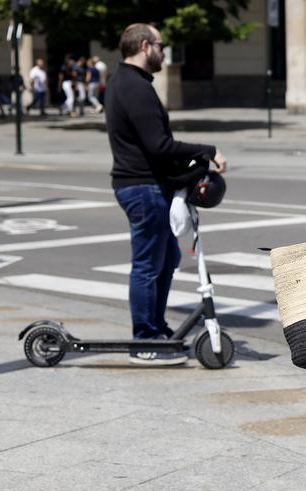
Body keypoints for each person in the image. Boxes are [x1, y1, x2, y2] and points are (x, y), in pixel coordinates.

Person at [106, 23, 227, 365]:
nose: (164, 50)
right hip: (141, 187)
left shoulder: (128, 82)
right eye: (161, 44)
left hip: (144, 184)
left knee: (166, 260)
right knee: (148, 264)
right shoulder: (135, 87)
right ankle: (145, 339)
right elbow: (159, 146)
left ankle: (157, 329)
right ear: (145, 46)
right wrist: (208, 150)